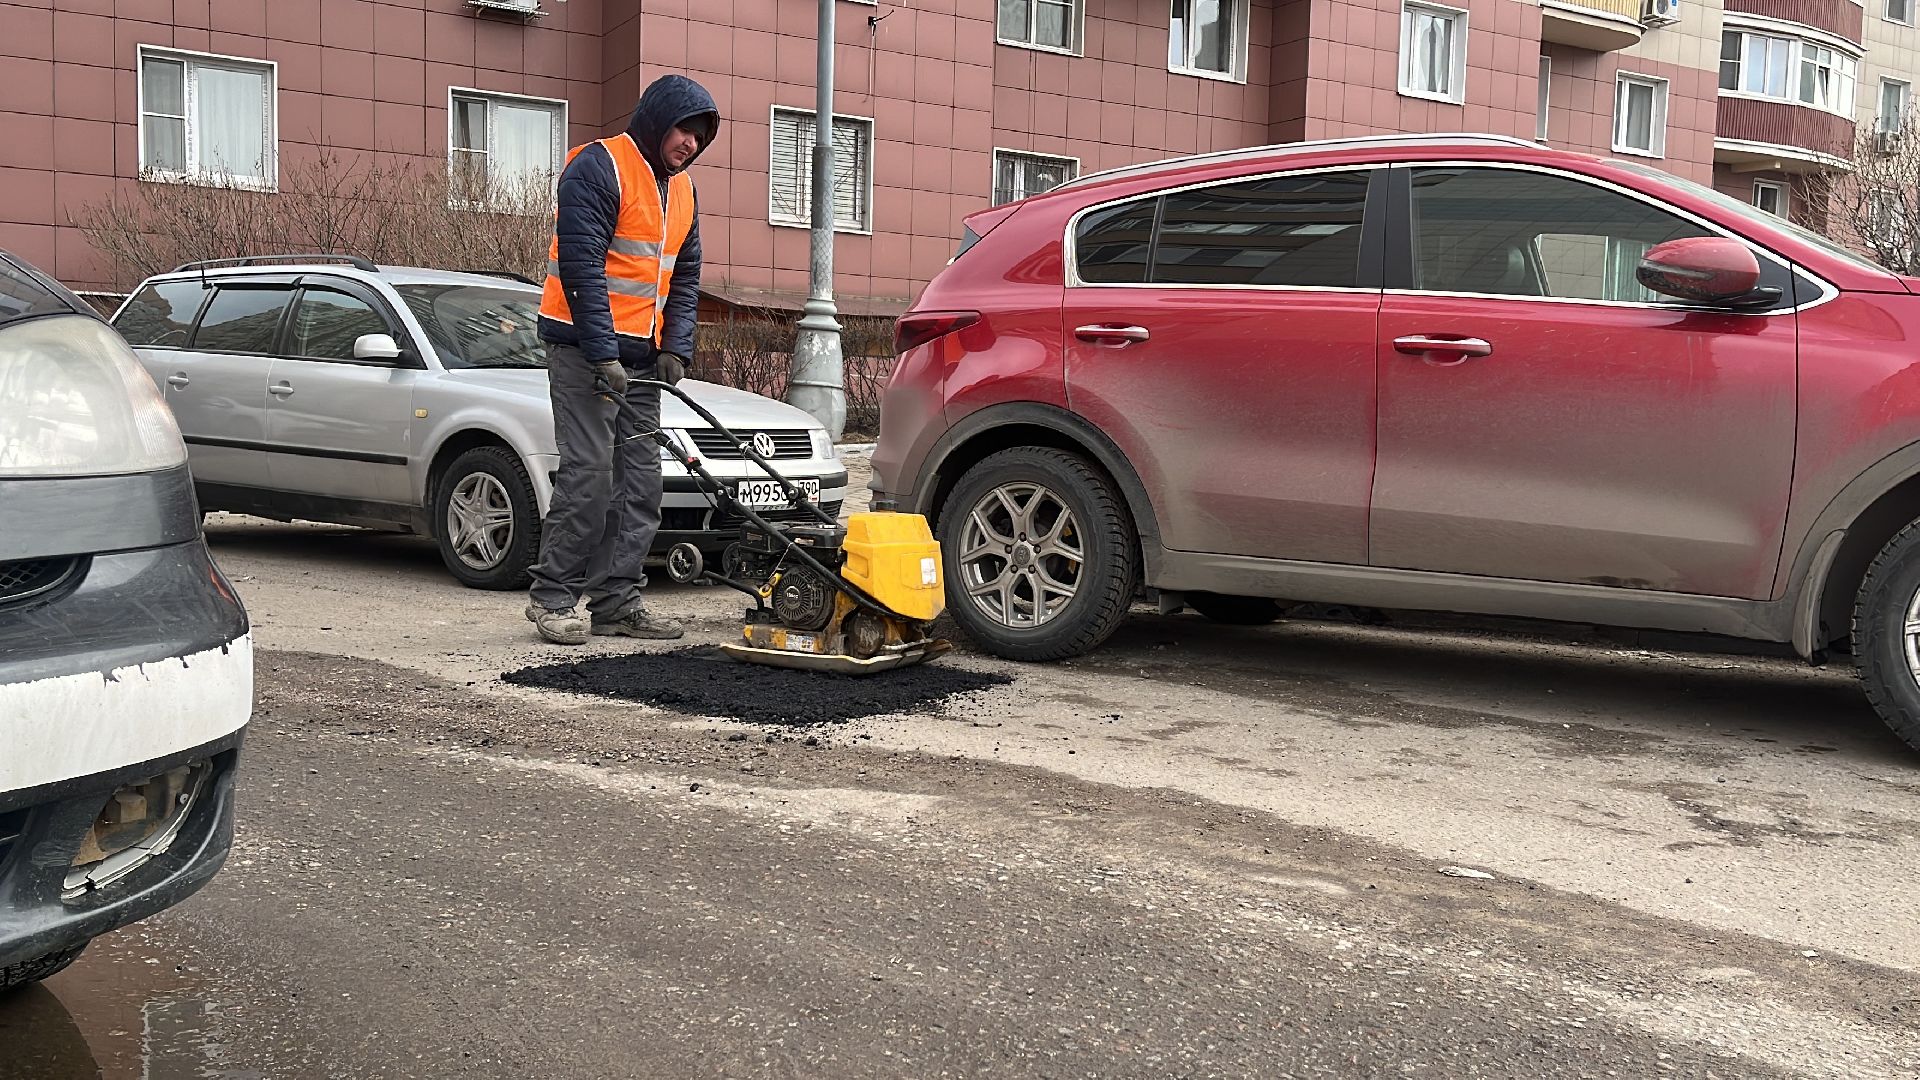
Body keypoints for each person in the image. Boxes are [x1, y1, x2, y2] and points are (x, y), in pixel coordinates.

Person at [525, 74, 719, 645]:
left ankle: (616, 603)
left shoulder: (682, 190)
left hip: (640, 361)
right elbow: (584, 267)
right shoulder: (599, 166)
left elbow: (684, 278)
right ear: (660, 118)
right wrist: (603, 353)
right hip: (583, 353)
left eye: (702, 138)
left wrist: (676, 347)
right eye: (686, 130)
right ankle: (552, 598)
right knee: (588, 478)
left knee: (640, 485)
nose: (692, 145)